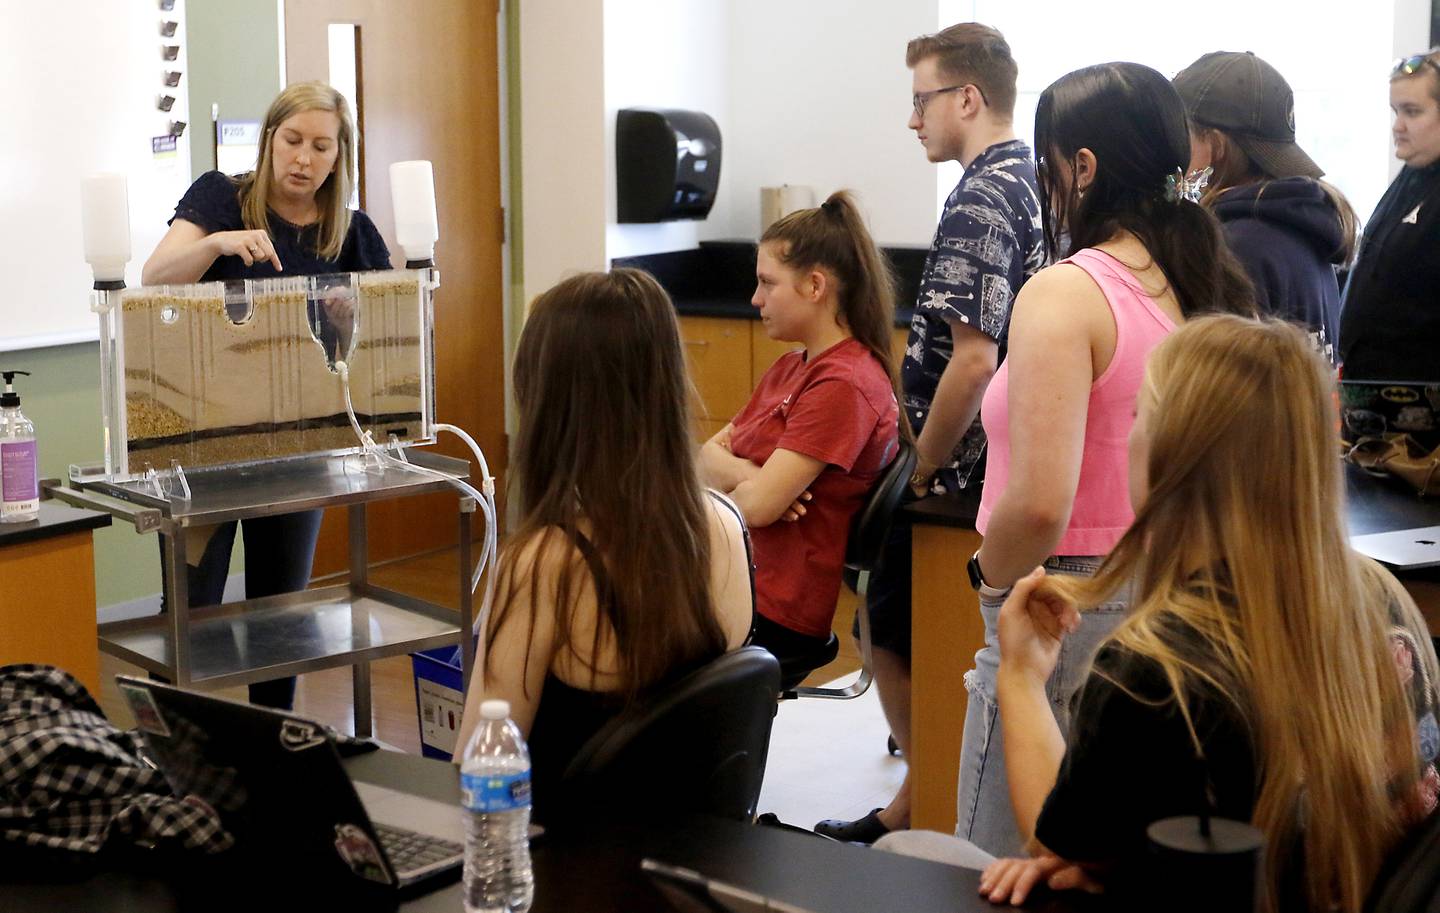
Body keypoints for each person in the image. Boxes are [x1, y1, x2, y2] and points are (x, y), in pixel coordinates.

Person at [968, 316, 1440, 913]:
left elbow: (1066, 845)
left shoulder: (1157, 666)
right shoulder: (1385, 598)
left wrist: (1020, 675)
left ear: (1174, 456)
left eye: (1140, 414)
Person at [960, 61, 1255, 856]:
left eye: (1044, 162)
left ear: (1081, 167)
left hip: (1066, 596)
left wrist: (988, 581)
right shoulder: (1205, 284)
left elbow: (1039, 503)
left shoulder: (1067, 292)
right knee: (1111, 862)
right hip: (1180, 592)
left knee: (1005, 859)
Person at [814, 22, 1044, 844]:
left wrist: (923, 464)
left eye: (922, 101)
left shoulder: (981, 195)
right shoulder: (1033, 180)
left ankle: (928, 801)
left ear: (969, 99)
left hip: (959, 473)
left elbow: (973, 361)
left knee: (892, 626)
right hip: (1004, 468)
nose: (913, 120)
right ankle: (924, 795)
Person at [456, 269, 753, 824]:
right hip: (690, 864)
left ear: (549, 402)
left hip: (569, 873)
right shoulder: (727, 524)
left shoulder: (546, 563)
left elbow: (480, 762)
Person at [141, 81, 392, 710]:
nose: (303, 159)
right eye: (292, 141)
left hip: (300, 450)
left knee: (280, 617)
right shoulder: (222, 198)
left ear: (340, 158)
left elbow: (389, 338)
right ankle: (180, 747)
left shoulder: (352, 233)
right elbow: (155, 277)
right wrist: (217, 244)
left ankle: (272, 745)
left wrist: (348, 320)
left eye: (320, 147)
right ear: (270, 139)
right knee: (192, 612)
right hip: (206, 450)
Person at [699, 191, 901, 670]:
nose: (755, 299)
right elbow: (705, 459)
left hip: (772, 605)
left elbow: (757, 505)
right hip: (737, 575)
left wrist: (752, 487)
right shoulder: (794, 366)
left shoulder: (845, 384)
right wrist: (755, 476)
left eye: (768, 284)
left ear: (815, 286)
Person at [1173, 51, 1358, 361]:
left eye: (1182, 134)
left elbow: (1217, 380)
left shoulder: (1234, 245)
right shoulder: (1308, 225)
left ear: (1216, 146)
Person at [1339, 47, 1440, 382]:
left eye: (1412, 112)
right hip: (1375, 402)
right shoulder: (1413, 173)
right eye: (1395, 111)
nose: (1397, 126)